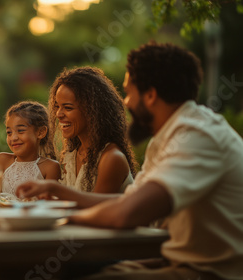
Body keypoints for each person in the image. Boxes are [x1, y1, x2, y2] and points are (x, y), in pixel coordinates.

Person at [17, 42, 243, 279]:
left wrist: (63, 216)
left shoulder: (197, 136)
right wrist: (56, 194)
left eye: (129, 92)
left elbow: (128, 212)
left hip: (211, 273)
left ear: (151, 95)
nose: (125, 102)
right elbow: (127, 200)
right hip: (174, 262)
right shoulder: (168, 138)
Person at [49, 67, 136, 193]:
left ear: (92, 111)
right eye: (57, 106)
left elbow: (95, 209)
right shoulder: (72, 155)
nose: (58, 114)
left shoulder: (111, 158)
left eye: (67, 108)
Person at [0, 101, 60, 195]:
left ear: (40, 132)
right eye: (9, 132)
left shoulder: (50, 167)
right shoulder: (1, 160)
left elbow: (48, 204)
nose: (13, 138)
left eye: (20, 131)